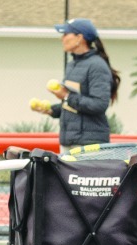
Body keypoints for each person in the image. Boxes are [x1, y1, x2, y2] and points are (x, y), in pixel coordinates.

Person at [35, 18, 118, 153]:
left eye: (66, 34)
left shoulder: (97, 65)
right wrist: (51, 110)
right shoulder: (72, 65)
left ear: (79, 38)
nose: (62, 38)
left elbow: (99, 104)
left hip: (90, 145)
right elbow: (73, 105)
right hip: (68, 142)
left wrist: (66, 96)